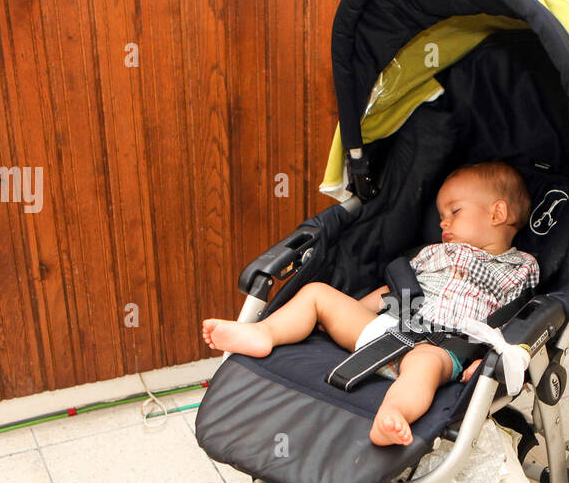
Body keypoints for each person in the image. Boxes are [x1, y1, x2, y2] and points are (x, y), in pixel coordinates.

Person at [202, 161, 540, 446]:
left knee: (421, 369)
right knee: (317, 293)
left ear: (498, 213)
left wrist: (485, 362)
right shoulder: (432, 252)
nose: (443, 222)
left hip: (446, 346)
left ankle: (393, 415)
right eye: (441, 214)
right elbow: (397, 288)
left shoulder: (521, 267)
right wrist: (353, 311)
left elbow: (517, 319)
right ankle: (264, 333)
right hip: (390, 326)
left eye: (454, 211)